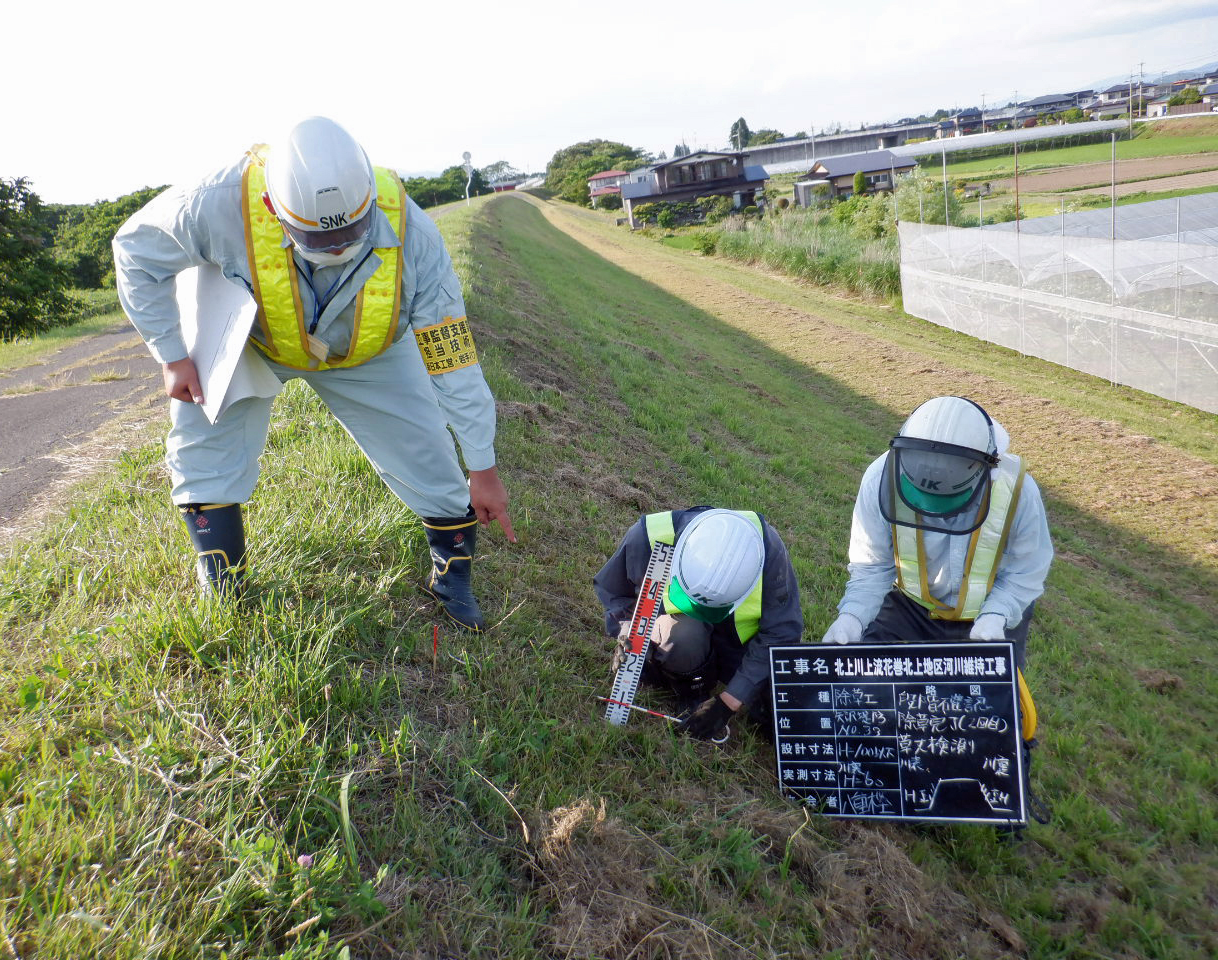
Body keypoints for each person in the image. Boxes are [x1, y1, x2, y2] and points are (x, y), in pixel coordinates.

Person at [113, 116, 513, 630]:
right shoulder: (212, 202)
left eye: (352, 231)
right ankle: (222, 577)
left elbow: (451, 357)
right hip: (252, 334)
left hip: (367, 347)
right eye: (314, 238)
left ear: (370, 197)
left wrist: (483, 468)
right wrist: (172, 355)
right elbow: (135, 251)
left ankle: (452, 574)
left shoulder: (416, 234)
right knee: (203, 438)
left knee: (429, 453)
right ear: (270, 208)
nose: (337, 248)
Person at [821, 395, 1053, 665]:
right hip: (910, 605)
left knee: (993, 700)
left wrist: (997, 615)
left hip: (993, 610)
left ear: (984, 471)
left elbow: (1026, 570)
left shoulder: (1018, 490)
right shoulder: (880, 478)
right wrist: (852, 616)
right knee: (872, 683)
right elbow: (872, 565)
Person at [595, 507, 804, 740]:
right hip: (683, 637)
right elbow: (615, 593)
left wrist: (729, 701)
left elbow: (782, 632)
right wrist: (629, 633)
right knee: (683, 635)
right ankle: (689, 686)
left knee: (784, 698)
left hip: (738, 647)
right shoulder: (649, 537)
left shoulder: (767, 553)